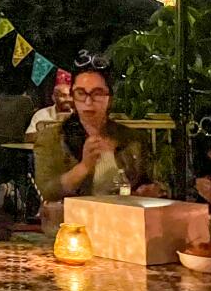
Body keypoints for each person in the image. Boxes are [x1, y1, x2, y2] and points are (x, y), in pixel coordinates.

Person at [34, 54, 161, 202]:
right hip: (75, 221)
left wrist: (147, 191)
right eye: (81, 93)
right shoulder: (52, 138)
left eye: (97, 93)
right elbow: (47, 192)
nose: (88, 101)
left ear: (110, 97)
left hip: (124, 218)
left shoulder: (131, 138)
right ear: (73, 96)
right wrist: (84, 167)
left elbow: (148, 182)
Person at [24, 74, 73, 142]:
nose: (68, 99)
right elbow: (28, 137)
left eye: (70, 96)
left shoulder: (79, 115)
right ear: (53, 98)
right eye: (63, 96)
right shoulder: (42, 114)